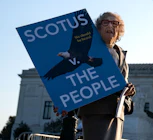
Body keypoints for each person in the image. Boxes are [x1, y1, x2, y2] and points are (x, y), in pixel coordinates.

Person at [55, 11, 136, 140]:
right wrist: (64, 101)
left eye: (115, 23)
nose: (111, 26)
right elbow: (73, 77)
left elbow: (121, 83)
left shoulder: (120, 53)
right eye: (106, 22)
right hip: (95, 110)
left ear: (119, 30)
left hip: (116, 113)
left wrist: (129, 91)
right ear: (98, 28)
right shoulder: (87, 49)